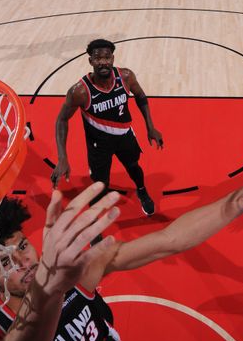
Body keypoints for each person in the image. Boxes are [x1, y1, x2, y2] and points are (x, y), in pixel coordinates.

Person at [0, 178, 243, 341]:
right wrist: (49, 291)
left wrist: (236, 204)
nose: (23, 262)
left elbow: (168, 241)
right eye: (4, 262)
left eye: (22, 247)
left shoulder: (77, 272)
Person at [52, 39, 163, 216]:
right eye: (97, 58)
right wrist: (62, 157)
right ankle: (94, 222)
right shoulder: (80, 91)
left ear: (112, 58)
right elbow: (61, 120)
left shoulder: (126, 77)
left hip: (125, 136)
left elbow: (141, 96)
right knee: (100, 184)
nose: (103, 62)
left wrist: (151, 127)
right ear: (90, 61)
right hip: (98, 145)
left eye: (107, 57)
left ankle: (141, 190)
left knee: (133, 166)